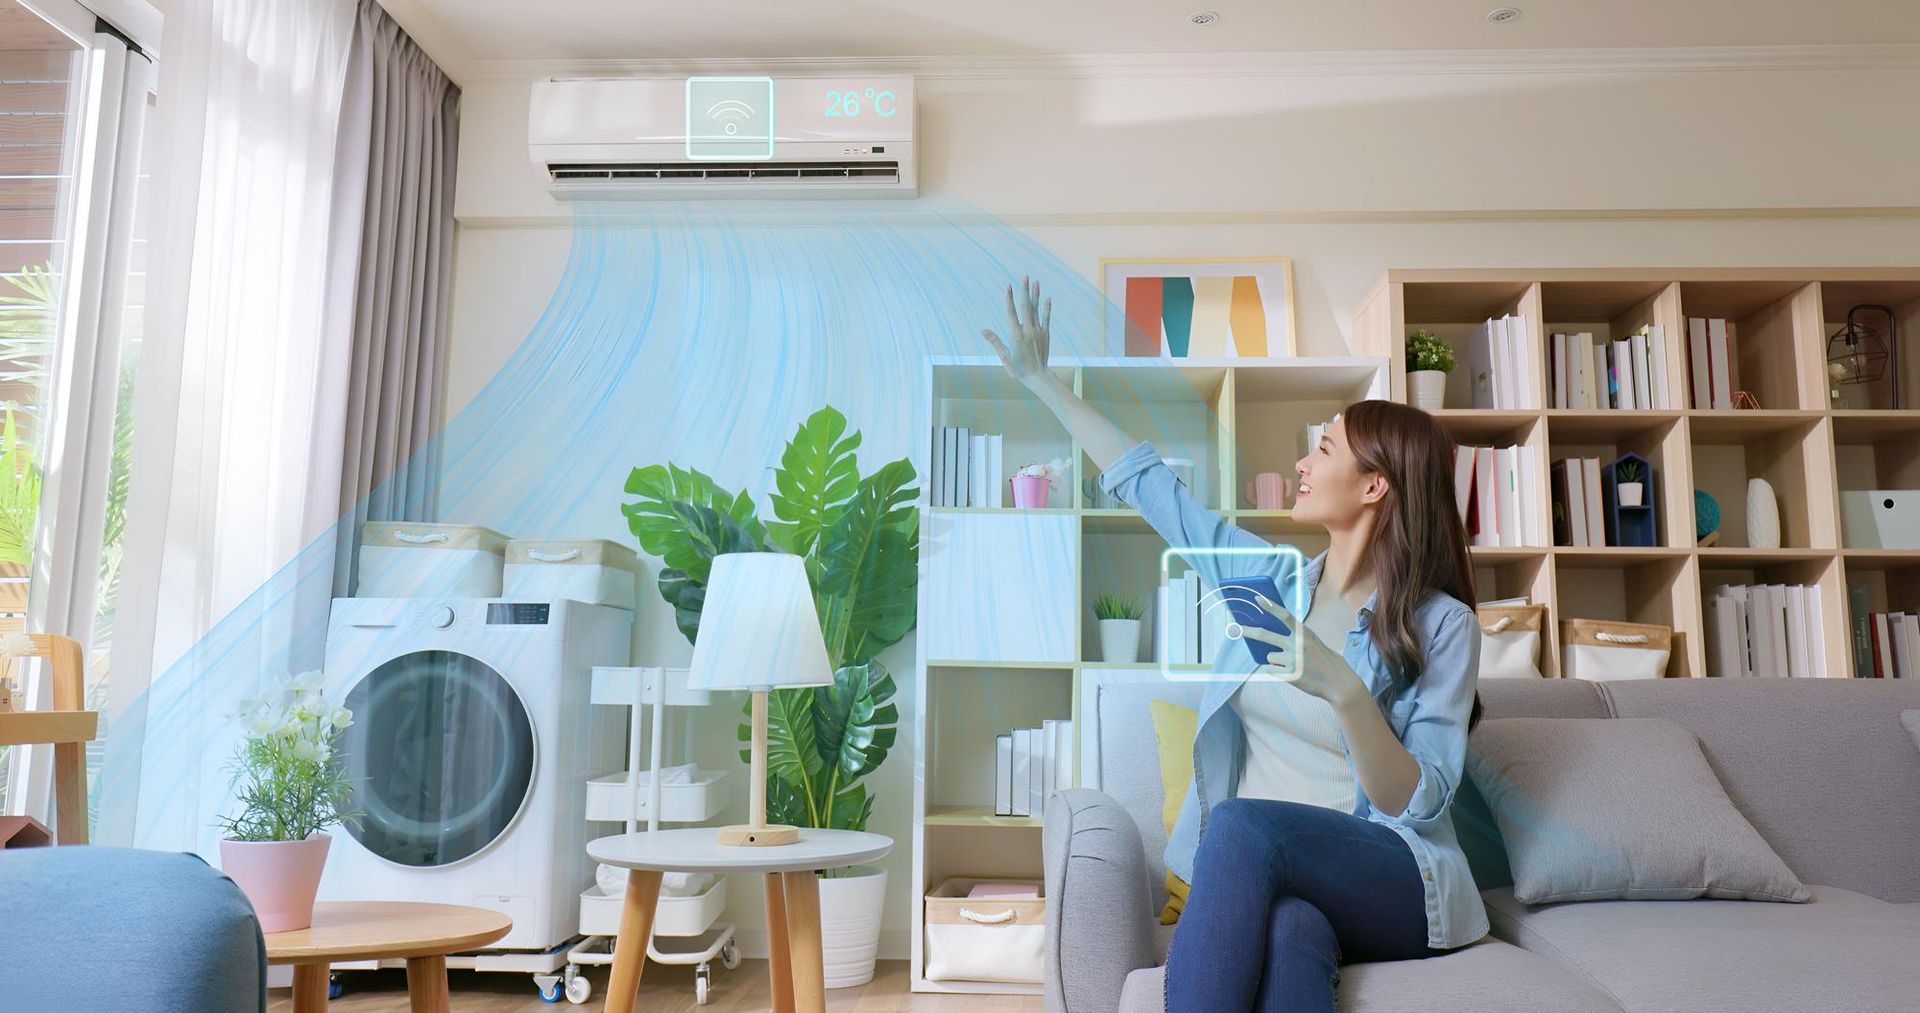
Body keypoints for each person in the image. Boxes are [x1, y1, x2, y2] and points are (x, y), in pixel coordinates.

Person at [981, 278, 1486, 1012]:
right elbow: (1152, 489)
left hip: (1394, 874)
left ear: (1375, 485)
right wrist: (1042, 382)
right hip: (1285, 879)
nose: (1305, 465)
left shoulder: (1443, 626)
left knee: (1244, 823)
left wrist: (1343, 689)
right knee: (1291, 935)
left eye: (1323, 449)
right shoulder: (1269, 581)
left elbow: (1418, 802)